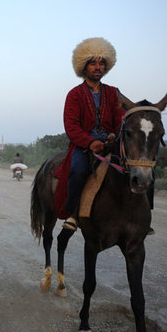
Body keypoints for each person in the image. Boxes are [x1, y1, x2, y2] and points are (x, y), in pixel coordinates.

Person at [57, 37, 125, 231]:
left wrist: (116, 135)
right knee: (78, 169)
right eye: (93, 63)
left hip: (112, 142)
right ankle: (73, 213)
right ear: (84, 67)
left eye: (102, 63)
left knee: (139, 166)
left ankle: (144, 216)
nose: (98, 67)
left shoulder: (113, 93)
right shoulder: (74, 94)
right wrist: (90, 142)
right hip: (84, 146)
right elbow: (71, 127)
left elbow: (121, 117)